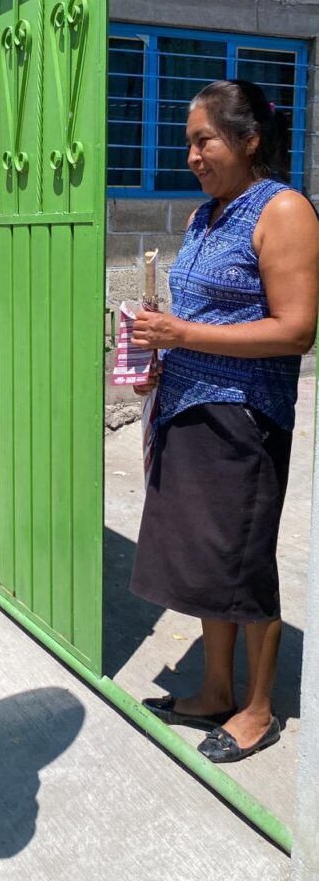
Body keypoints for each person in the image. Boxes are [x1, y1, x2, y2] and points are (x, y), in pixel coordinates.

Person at [129, 79, 319, 764]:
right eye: (189, 142)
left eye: (204, 139)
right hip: (186, 408)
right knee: (211, 561)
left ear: (250, 140)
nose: (192, 155)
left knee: (243, 562)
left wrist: (181, 335)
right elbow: (198, 321)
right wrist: (159, 353)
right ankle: (213, 690)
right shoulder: (205, 215)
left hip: (245, 417)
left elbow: (296, 330)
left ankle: (259, 709)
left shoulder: (284, 210)